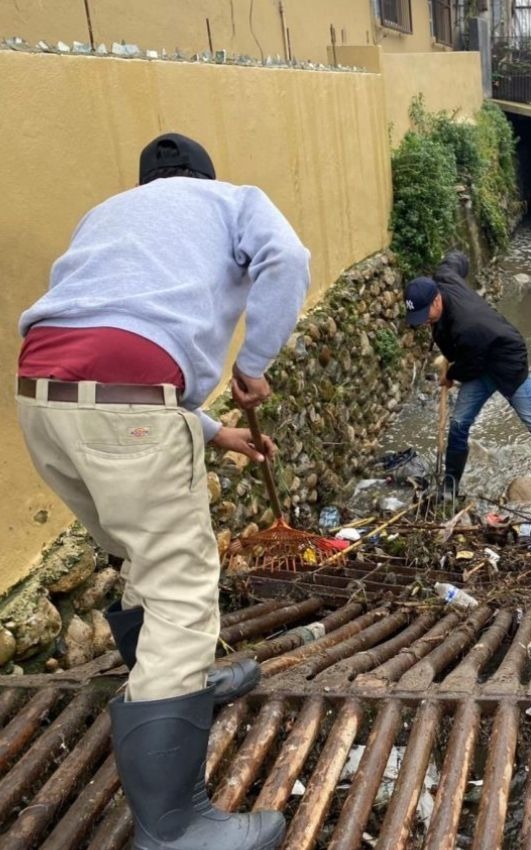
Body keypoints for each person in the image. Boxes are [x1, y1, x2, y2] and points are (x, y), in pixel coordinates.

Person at [16, 132, 310, 850]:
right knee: (180, 583)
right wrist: (255, 361)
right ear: (204, 177)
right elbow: (288, 259)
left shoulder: (109, 214)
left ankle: (179, 680)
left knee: (138, 553)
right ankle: (174, 825)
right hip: (131, 402)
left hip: (40, 396)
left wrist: (214, 432)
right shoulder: (232, 200)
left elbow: (112, 350)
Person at [404, 250, 531, 509]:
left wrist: (450, 376)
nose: (424, 321)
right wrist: (457, 256)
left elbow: (470, 365)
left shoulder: (467, 325)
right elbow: (456, 261)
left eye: (425, 314)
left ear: (437, 299)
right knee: (459, 424)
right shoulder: (443, 277)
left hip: (507, 363)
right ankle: (450, 486)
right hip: (476, 361)